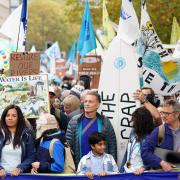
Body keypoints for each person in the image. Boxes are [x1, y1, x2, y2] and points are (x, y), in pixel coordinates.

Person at [66, 90, 117, 168]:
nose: (87, 104)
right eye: (85, 101)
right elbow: (68, 146)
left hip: (101, 169)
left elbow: (112, 145)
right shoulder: (74, 121)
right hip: (80, 167)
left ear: (98, 105)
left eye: (90, 102)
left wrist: (111, 167)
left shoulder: (104, 121)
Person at [141, 100, 180, 171]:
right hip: (164, 174)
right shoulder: (159, 131)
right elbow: (145, 152)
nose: (163, 116)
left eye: (167, 113)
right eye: (162, 113)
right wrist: (161, 162)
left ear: (177, 114)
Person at [0, 105, 35, 178]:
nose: (10, 118)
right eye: (7, 115)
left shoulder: (27, 135)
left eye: (14, 116)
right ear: (4, 117)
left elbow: (31, 156)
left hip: (20, 176)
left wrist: (20, 168)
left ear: (19, 118)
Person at [120, 107, 154, 175]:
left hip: (140, 174)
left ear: (142, 122)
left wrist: (144, 167)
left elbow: (154, 157)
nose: (133, 123)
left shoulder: (151, 136)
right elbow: (127, 152)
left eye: (135, 121)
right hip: (127, 172)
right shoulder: (133, 131)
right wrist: (121, 170)